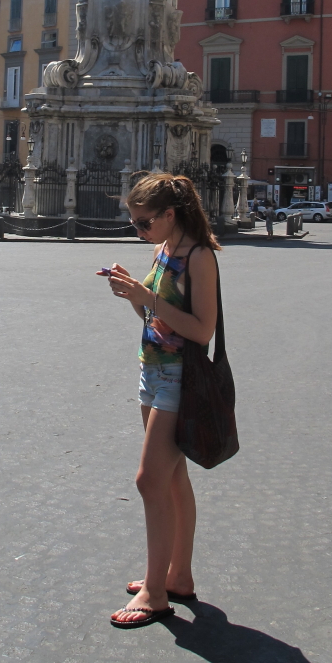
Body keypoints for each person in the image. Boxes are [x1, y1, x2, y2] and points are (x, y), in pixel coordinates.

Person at [102, 173, 220, 630]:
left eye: (144, 223)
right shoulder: (162, 249)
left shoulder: (199, 257)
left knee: (149, 481)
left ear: (170, 215)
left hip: (179, 378)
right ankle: (180, 576)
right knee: (172, 481)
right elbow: (152, 313)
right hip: (150, 371)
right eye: (134, 224)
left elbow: (201, 330)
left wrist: (147, 295)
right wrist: (132, 292)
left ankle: (155, 594)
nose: (140, 231)